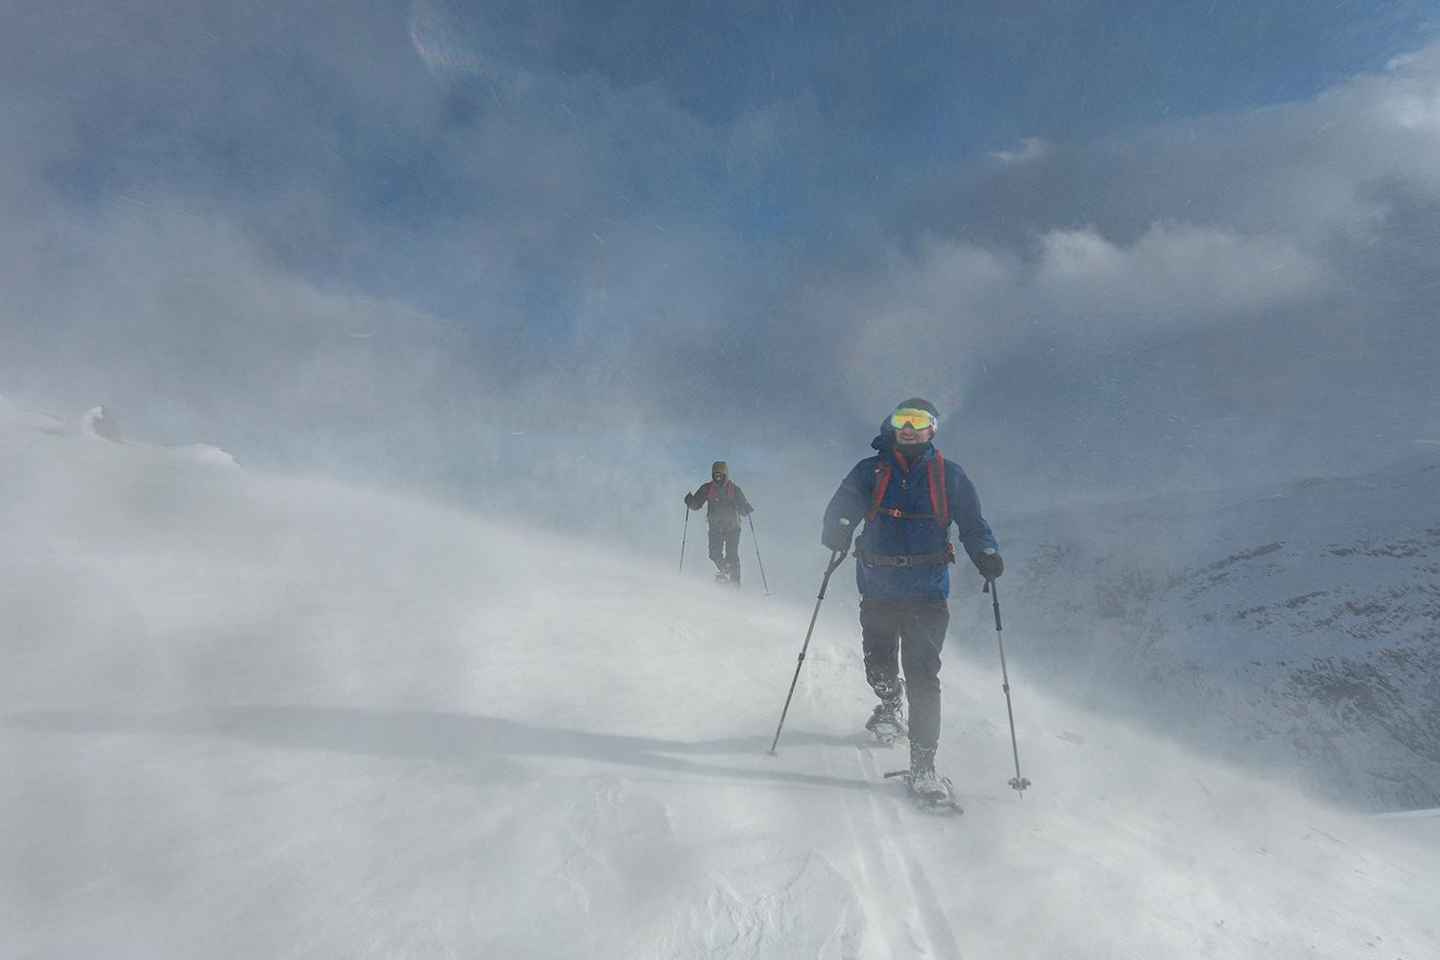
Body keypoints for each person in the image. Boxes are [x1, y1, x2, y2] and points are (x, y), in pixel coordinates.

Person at [821, 398, 1004, 800]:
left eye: (918, 421)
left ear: (931, 429)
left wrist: (986, 553)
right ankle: (889, 701)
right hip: (878, 587)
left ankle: (924, 768)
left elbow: (973, 524)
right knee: (878, 665)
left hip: (927, 594)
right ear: (891, 425)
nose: (908, 427)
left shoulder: (949, 477)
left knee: (924, 677)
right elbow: (843, 504)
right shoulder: (870, 471)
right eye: (902, 419)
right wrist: (837, 527)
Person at [684, 461, 754, 586]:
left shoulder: (734, 490)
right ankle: (725, 571)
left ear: (726, 475)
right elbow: (696, 504)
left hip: (733, 528)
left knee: (732, 555)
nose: (718, 478)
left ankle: (735, 583)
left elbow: (743, 507)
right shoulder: (707, 488)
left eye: (721, 475)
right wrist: (690, 502)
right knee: (714, 553)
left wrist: (746, 508)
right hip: (715, 527)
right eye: (715, 475)